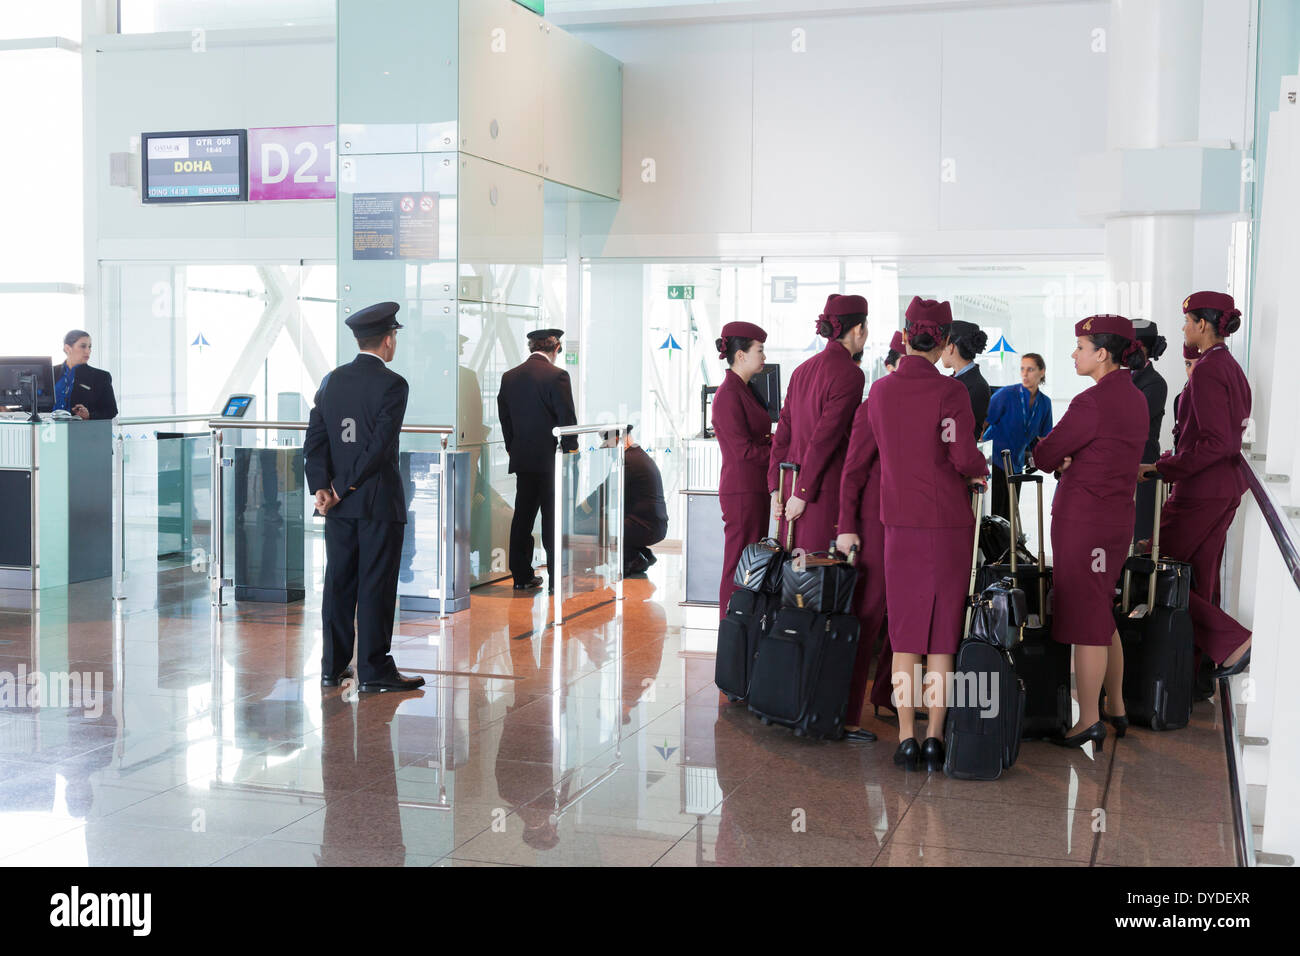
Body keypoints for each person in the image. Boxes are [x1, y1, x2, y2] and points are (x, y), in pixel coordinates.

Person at [837, 297, 987, 770]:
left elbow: (855, 465)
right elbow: (963, 456)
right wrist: (979, 470)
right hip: (947, 527)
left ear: (904, 336)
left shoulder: (879, 393)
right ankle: (935, 739)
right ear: (943, 341)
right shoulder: (952, 393)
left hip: (897, 527)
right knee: (942, 638)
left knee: (904, 637)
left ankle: (904, 738)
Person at [1030, 314, 1148, 749]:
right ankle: (1115, 706)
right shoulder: (1134, 398)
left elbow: (1046, 454)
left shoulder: (1091, 402)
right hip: (1117, 519)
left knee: (1085, 619)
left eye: (1080, 347)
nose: (1074, 354)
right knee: (1101, 613)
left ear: (1102, 354)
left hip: (1086, 522)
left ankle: (1089, 719)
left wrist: (1062, 459)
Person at [303, 301, 425, 694]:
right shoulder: (394, 384)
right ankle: (373, 670)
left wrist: (323, 487)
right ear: (388, 340)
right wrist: (339, 489)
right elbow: (377, 448)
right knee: (375, 585)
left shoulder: (331, 380)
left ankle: (332, 667)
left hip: (337, 509)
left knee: (339, 583)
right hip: (377, 505)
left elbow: (315, 439)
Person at [1138, 292, 1252, 678]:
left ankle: (1231, 640)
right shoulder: (1230, 366)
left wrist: (1164, 468)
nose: (1183, 328)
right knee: (1200, 577)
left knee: (1156, 565)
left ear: (1202, 325)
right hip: (1223, 488)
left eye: (1186, 321)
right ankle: (1199, 668)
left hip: (1201, 490)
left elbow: (1217, 442)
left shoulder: (1206, 369)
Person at [768, 294, 868, 553]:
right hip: (819, 487)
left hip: (789, 484)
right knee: (817, 574)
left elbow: (783, 432)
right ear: (858, 329)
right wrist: (803, 492)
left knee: (792, 571)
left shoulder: (802, 369)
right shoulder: (850, 374)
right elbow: (825, 438)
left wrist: (775, 488)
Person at [497, 329, 578, 590]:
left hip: (523, 459)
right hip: (551, 461)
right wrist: (571, 453)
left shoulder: (510, 377)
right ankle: (556, 579)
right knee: (552, 518)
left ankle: (521, 576)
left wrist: (513, 447)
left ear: (531, 347)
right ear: (555, 349)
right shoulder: (557, 376)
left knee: (523, 516)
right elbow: (567, 420)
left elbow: (505, 418)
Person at [711, 321, 773, 614]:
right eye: (759, 350)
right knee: (738, 562)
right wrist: (779, 450)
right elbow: (744, 450)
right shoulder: (728, 395)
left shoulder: (745, 389)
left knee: (751, 560)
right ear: (740, 355)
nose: (763, 357)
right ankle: (730, 629)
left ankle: (743, 627)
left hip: (753, 487)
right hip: (741, 490)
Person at [983, 352, 1052, 522]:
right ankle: (993, 547)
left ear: (1041, 372)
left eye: (1030, 369)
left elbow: (1044, 438)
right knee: (994, 511)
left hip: (1016, 461)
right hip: (994, 459)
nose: (1025, 374)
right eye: (1022, 369)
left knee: (1010, 510)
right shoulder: (1007, 394)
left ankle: (1009, 546)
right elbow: (983, 423)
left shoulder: (1044, 403)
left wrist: (1041, 459)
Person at [607, 426, 668, 575]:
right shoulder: (639, 456)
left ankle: (634, 559)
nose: (609, 454)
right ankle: (645, 555)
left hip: (646, 528)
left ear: (616, 441)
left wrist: (582, 510)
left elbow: (607, 490)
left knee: (605, 529)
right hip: (656, 525)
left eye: (609, 446)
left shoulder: (628, 460)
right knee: (615, 523)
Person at [1131, 321, 1170, 543]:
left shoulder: (1155, 383)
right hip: (1121, 466)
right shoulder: (1121, 378)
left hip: (1142, 467)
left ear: (1142, 349)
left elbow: (1132, 421)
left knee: (1140, 536)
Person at [940, 320, 991, 439]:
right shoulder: (958, 380)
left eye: (942, 346)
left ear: (951, 347)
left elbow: (961, 435)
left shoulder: (977, 386)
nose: (940, 351)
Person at [51, 330, 117, 420]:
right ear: (67, 348)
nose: (88, 351)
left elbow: (111, 410)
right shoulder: (50, 372)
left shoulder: (100, 376)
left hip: (82, 430)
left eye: (89, 347)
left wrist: (89, 415)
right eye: (83, 346)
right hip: (49, 430)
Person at [1172, 342, 1200, 453]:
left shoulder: (1213, 400)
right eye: (1188, 364)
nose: (1192, 371)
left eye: (1198, 364)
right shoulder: (1181, 398)